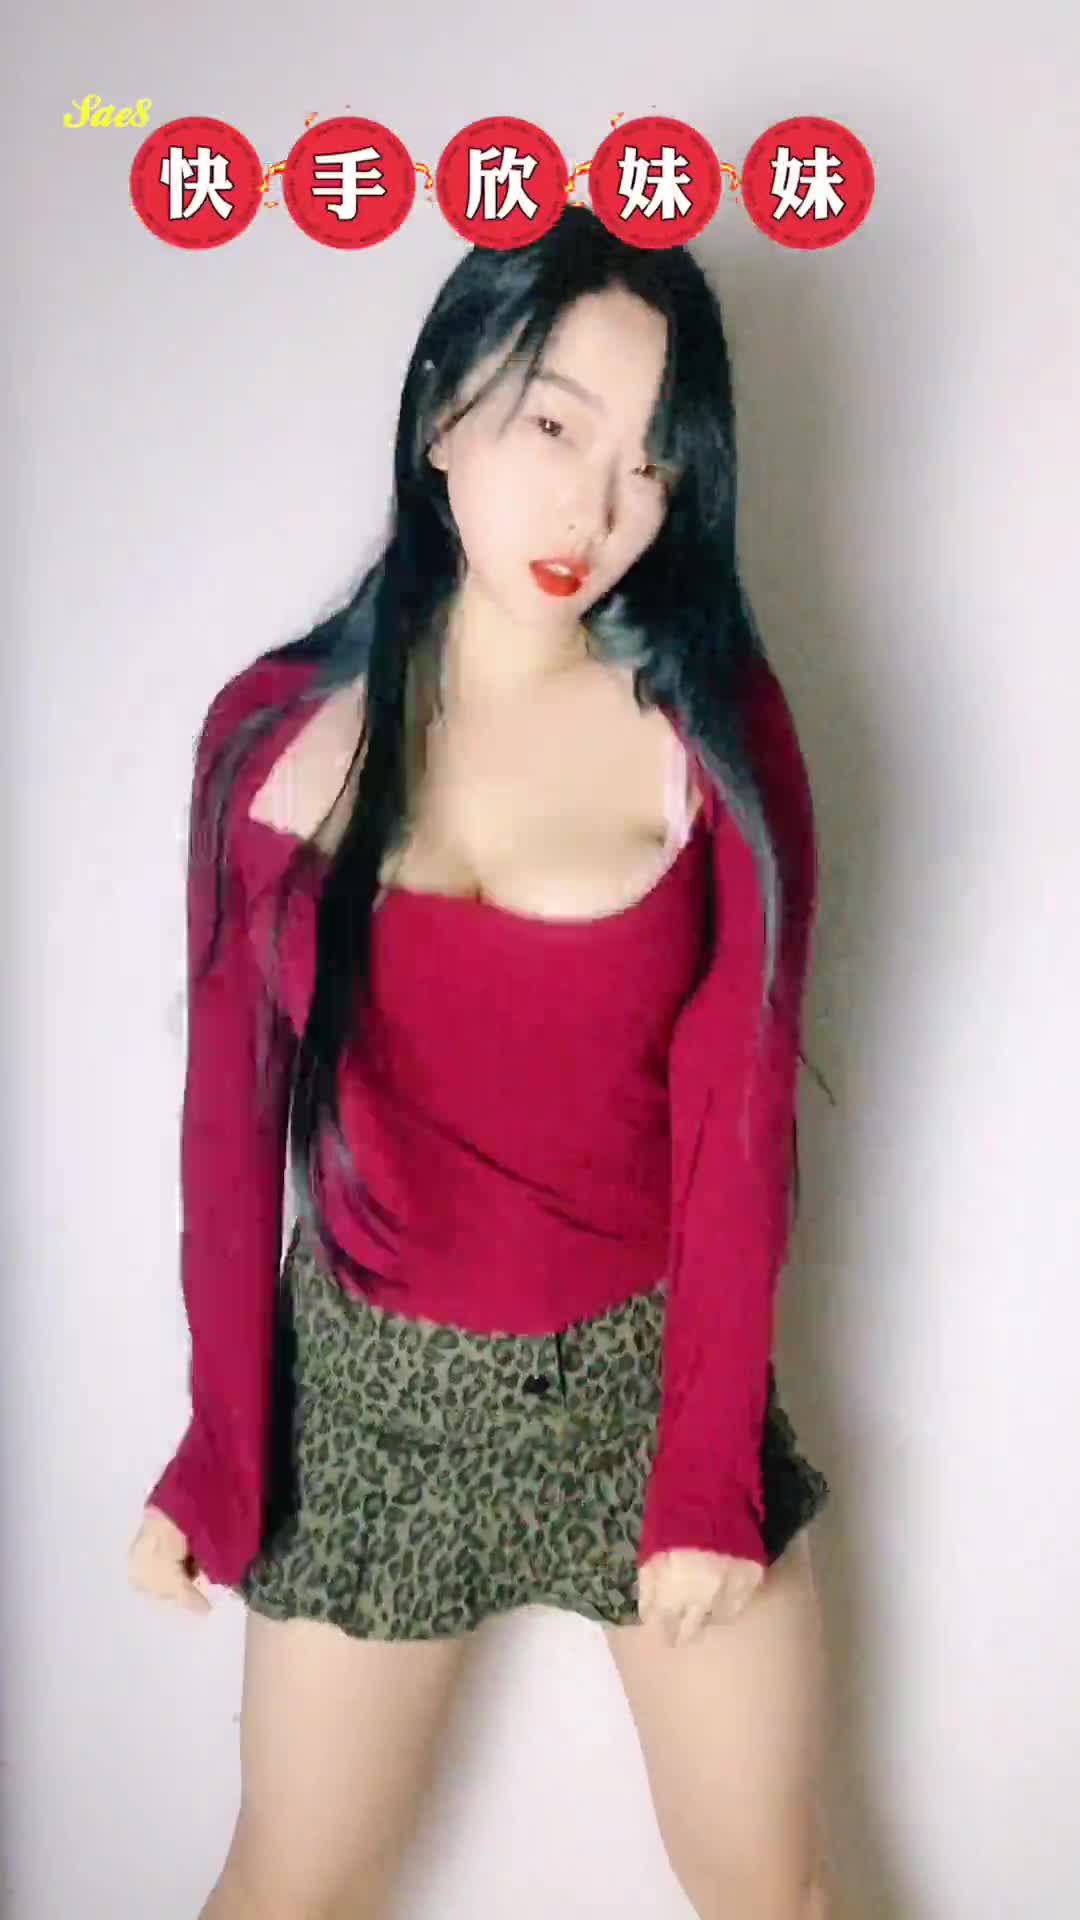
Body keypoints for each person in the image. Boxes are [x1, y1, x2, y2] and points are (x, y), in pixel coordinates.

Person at [128, 203, 834, 1920]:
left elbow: (740, 1125)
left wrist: (704, 1476)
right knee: (291, 1885)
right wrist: (225, 1447)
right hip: (371, 1404)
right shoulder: (269, 735)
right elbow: (227, 1130)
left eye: (652, 465)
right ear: (446, 408)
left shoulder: (713, 737)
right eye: (554, 427)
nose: (594, 510)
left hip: (650, 1382)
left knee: (779, 1897)